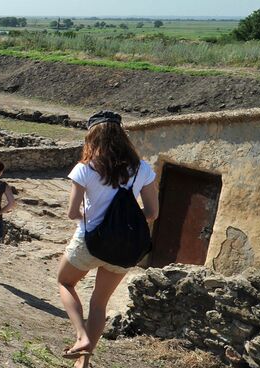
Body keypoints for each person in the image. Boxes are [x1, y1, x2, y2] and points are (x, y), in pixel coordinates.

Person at [57, 111, 159, 368]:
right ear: (122, 137)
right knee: (99, 303)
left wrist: (96, 219)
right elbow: (152, 213)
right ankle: (83, 362)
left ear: (92, 138)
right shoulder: (142, 169)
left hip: (90, 241)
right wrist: (123, 224)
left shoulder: (85, 169)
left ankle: (81, 337)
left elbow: (72, 213)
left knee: (65, 282)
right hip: (125, 248)